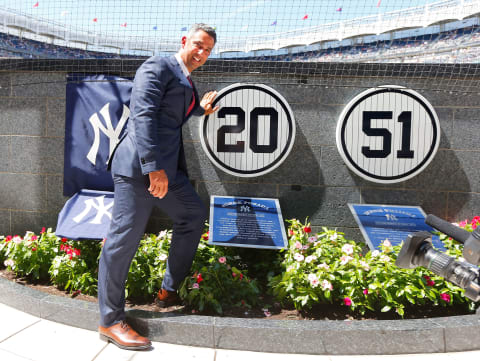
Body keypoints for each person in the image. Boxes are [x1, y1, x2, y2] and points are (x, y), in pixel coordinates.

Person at [97, 23, 218, 351]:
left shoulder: (186, 78)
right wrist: (154, 170)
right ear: (184, 41)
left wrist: (201, 109)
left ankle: (168, 290)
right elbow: (144, 115)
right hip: (139, 168)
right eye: (197, 45)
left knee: (193, 214)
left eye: (207, 50)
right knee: (123, 240)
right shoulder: (158, 65)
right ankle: (109, 320)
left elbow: (172, 114)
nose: (201, 53)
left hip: (165, 171)